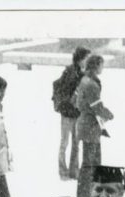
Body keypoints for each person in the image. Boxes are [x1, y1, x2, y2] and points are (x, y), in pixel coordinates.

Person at [75, 55, 114, 197]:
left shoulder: (85, 80)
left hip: (88, 125)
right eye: (102, 65)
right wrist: (109, 114)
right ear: (96, 66)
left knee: (91, 162)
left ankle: (88, 193)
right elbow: (97, 106)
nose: (103, 68)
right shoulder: (91, 84)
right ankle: (85, 195)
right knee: (90, 163)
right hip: (90, 126)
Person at [54, 46, 89, 180]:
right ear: (80, 59)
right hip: (67, 112)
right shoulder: (70, 72)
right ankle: (63, 172)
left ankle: (74, 171)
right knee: (65, 143)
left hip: (76, 112)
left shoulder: (83, 72)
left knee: (75, 143)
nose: (87, 61)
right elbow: (65, 90)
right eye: (86, 58)